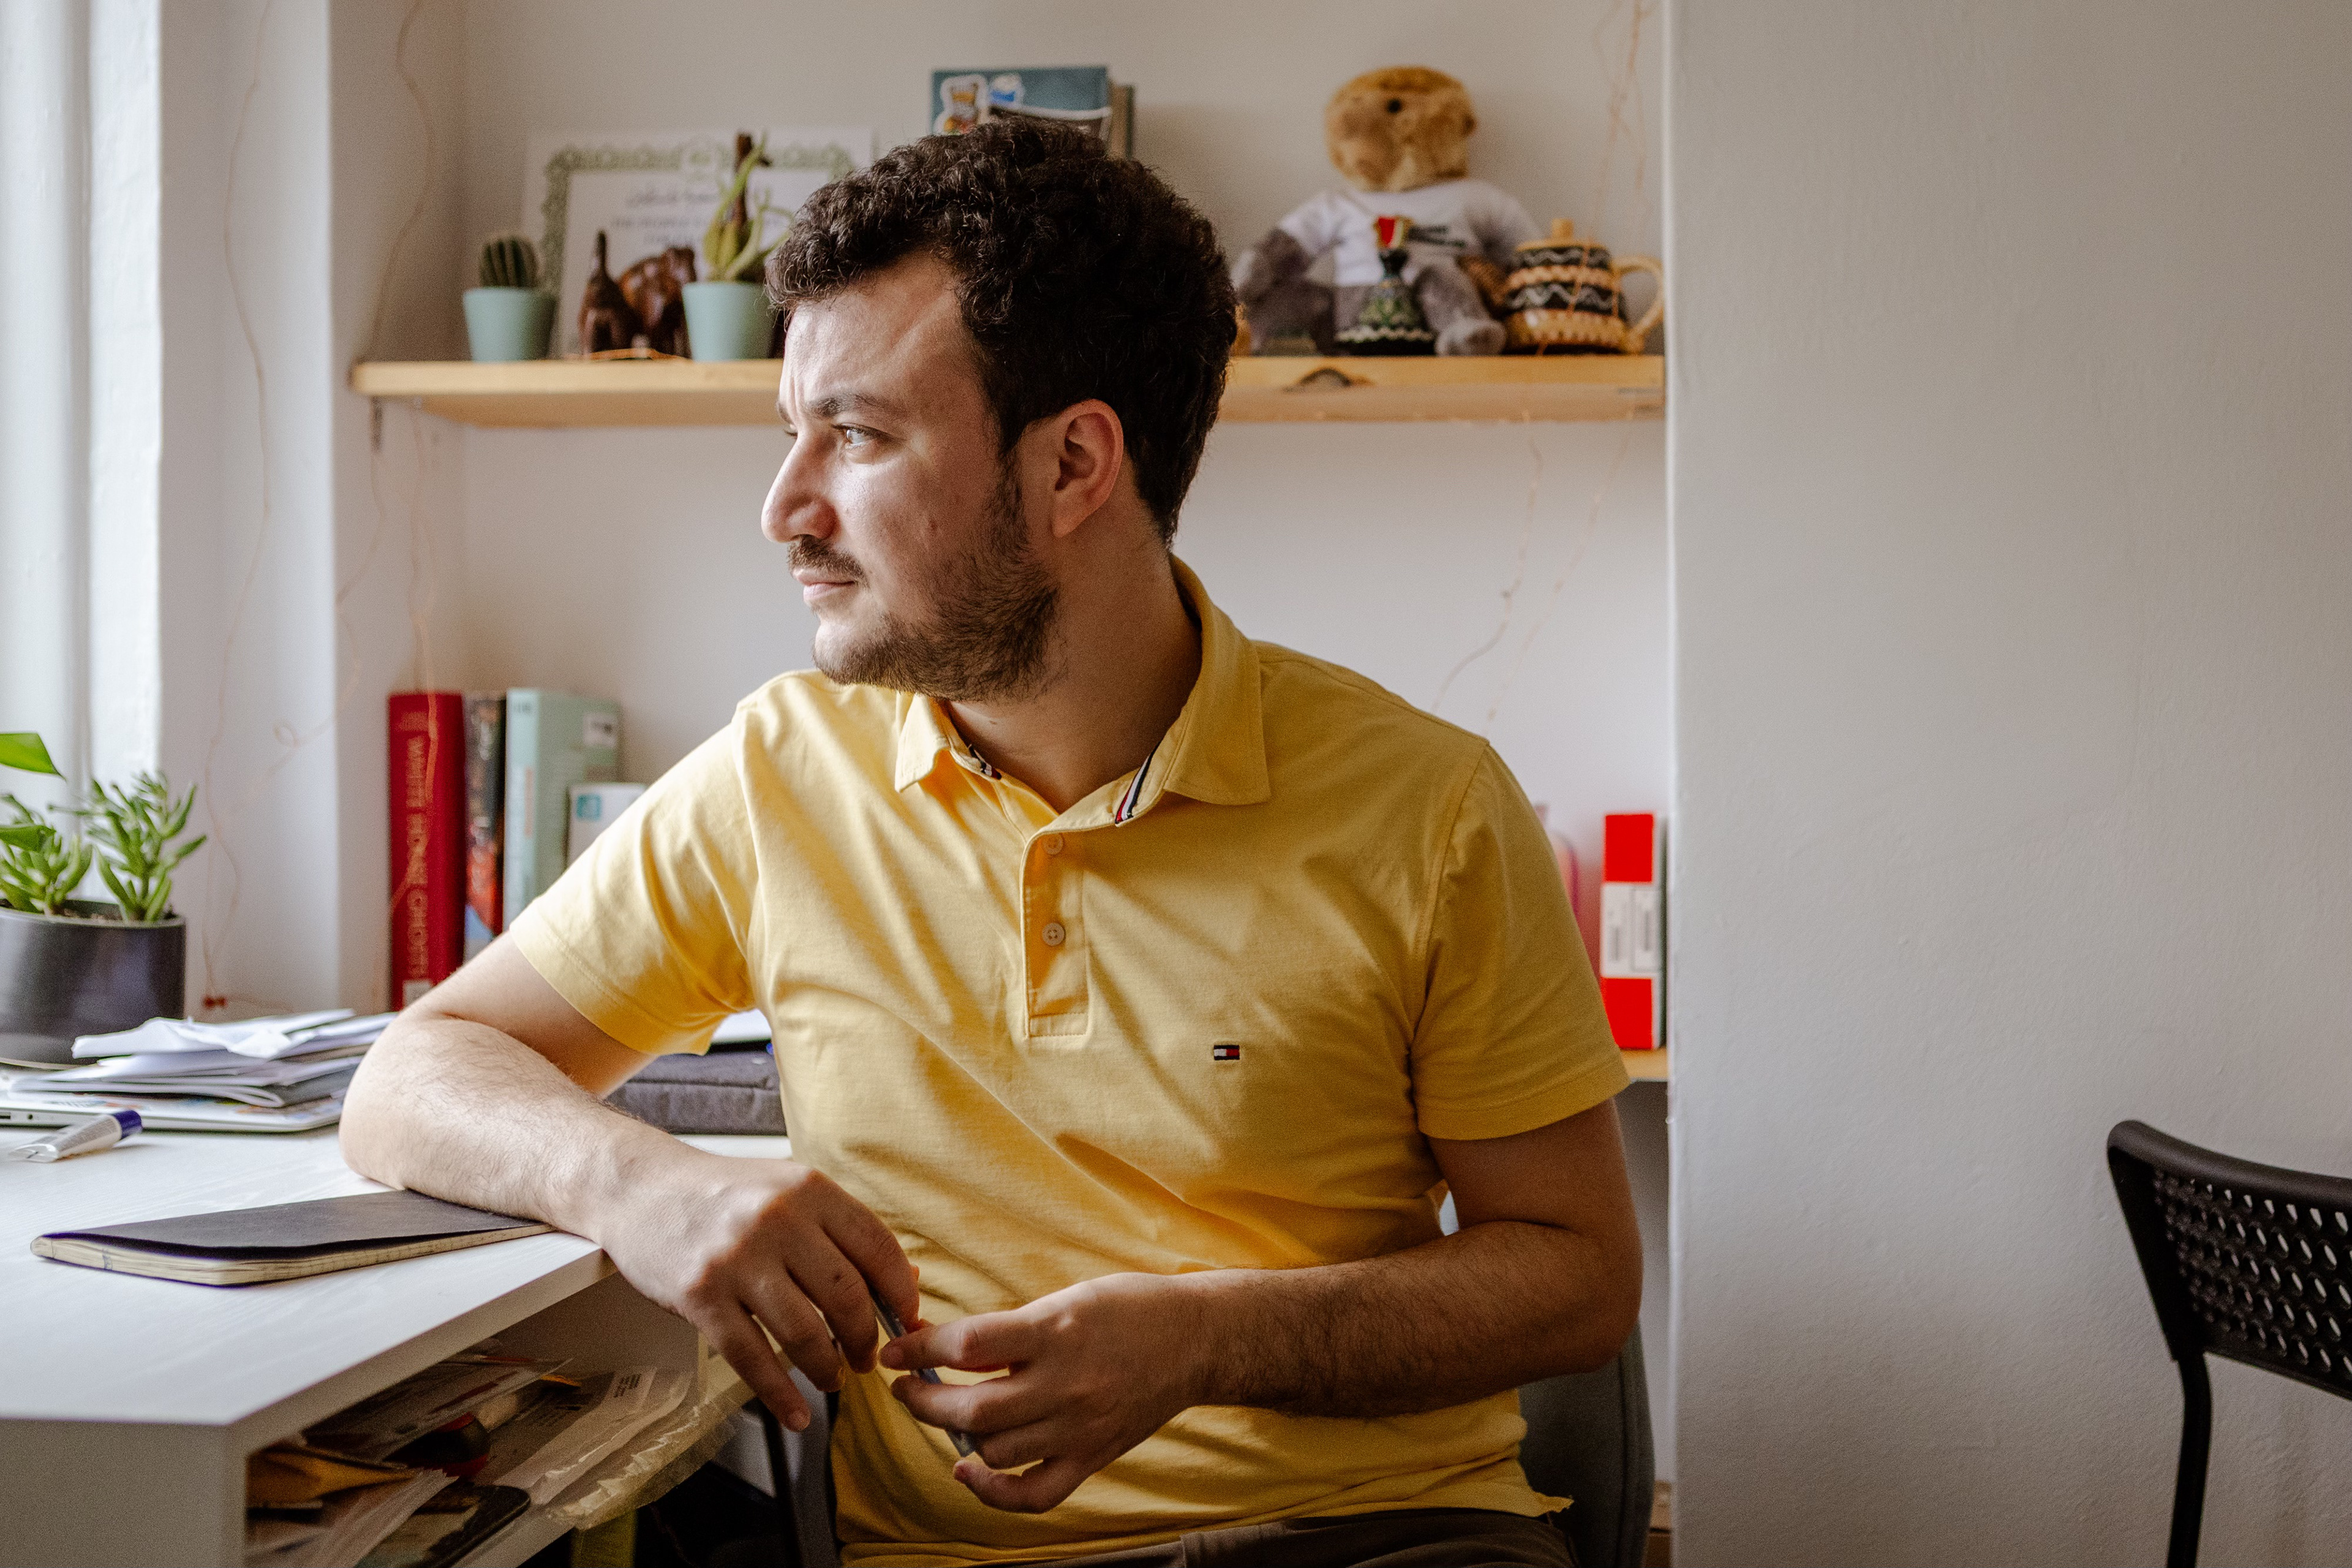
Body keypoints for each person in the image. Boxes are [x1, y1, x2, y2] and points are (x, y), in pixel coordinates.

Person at [342, 120, 1640, 1568]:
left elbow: (1577, 1278)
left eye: (859, 434)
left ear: (1077, 461)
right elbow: (417, 1070)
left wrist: (1210, 1340)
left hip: (1382, 1541)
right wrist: (636, 1181)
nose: (786, 507)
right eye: (794, 432)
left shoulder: (1433, 809)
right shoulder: (781, 772)